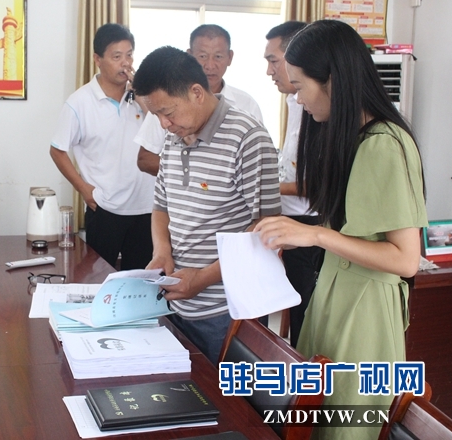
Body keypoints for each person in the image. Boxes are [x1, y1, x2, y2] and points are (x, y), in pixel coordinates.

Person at [254, 20, 427, 440]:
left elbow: (406, 260)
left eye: (300, 86)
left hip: (364, 310)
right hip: (335, 294)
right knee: (316, 419)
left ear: (330, 79)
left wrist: (315, 234)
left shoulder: (385, 142)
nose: (297, 98)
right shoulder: (351, 137)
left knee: (345, 427)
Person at [132, 46, 281, 365]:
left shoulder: (248, 138)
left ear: (197, 93)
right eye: (156, 115)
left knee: (228, 397)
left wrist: (202, 279)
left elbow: (266, 232)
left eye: (167, 112)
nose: (163, 124)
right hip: (178, 303)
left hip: (228, 312)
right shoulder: (175, 136)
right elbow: (161, 205)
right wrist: (162, 252)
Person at [50, 23, 154, 270]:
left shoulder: (144, 97)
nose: (125, 63)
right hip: (105, 207)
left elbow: (163, 128)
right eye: (117, 57)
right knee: (97, 279)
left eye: (129, 55)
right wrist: (83, 189)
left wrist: (142, 96)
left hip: (146, 207)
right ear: (98, 59)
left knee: (141, 280)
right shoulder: (79, 102)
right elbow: (57, 150)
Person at [134, 24, 263, 176]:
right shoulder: (166, 104)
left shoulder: (247, 105)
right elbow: (145, 158)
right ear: (189, 55)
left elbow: (256, 165)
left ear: (230, 57)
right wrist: (192, 177)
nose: (210, 65)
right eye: (202, 56)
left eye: (218, 56)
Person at [264, 21, 323, 347]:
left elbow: (315, 183)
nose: (270, 71)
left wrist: (265, 186)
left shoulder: (318, 109)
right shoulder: (292, 101)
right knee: (297, 305)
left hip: (310, 222)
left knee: (308, 312)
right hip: (291, 219)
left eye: (274, 61)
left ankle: (308, 372)